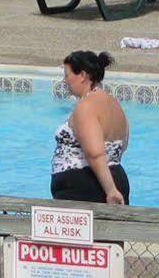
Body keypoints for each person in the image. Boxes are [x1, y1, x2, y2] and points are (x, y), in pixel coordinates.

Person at [50, 49, 129, 205]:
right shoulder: (114, 104)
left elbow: (94, 153)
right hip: (116, 176)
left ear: (83, 75)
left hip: (86, 187)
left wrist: (111, 190)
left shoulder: (86, 107)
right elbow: (123, 145)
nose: (64, 81)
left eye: (67, 75)